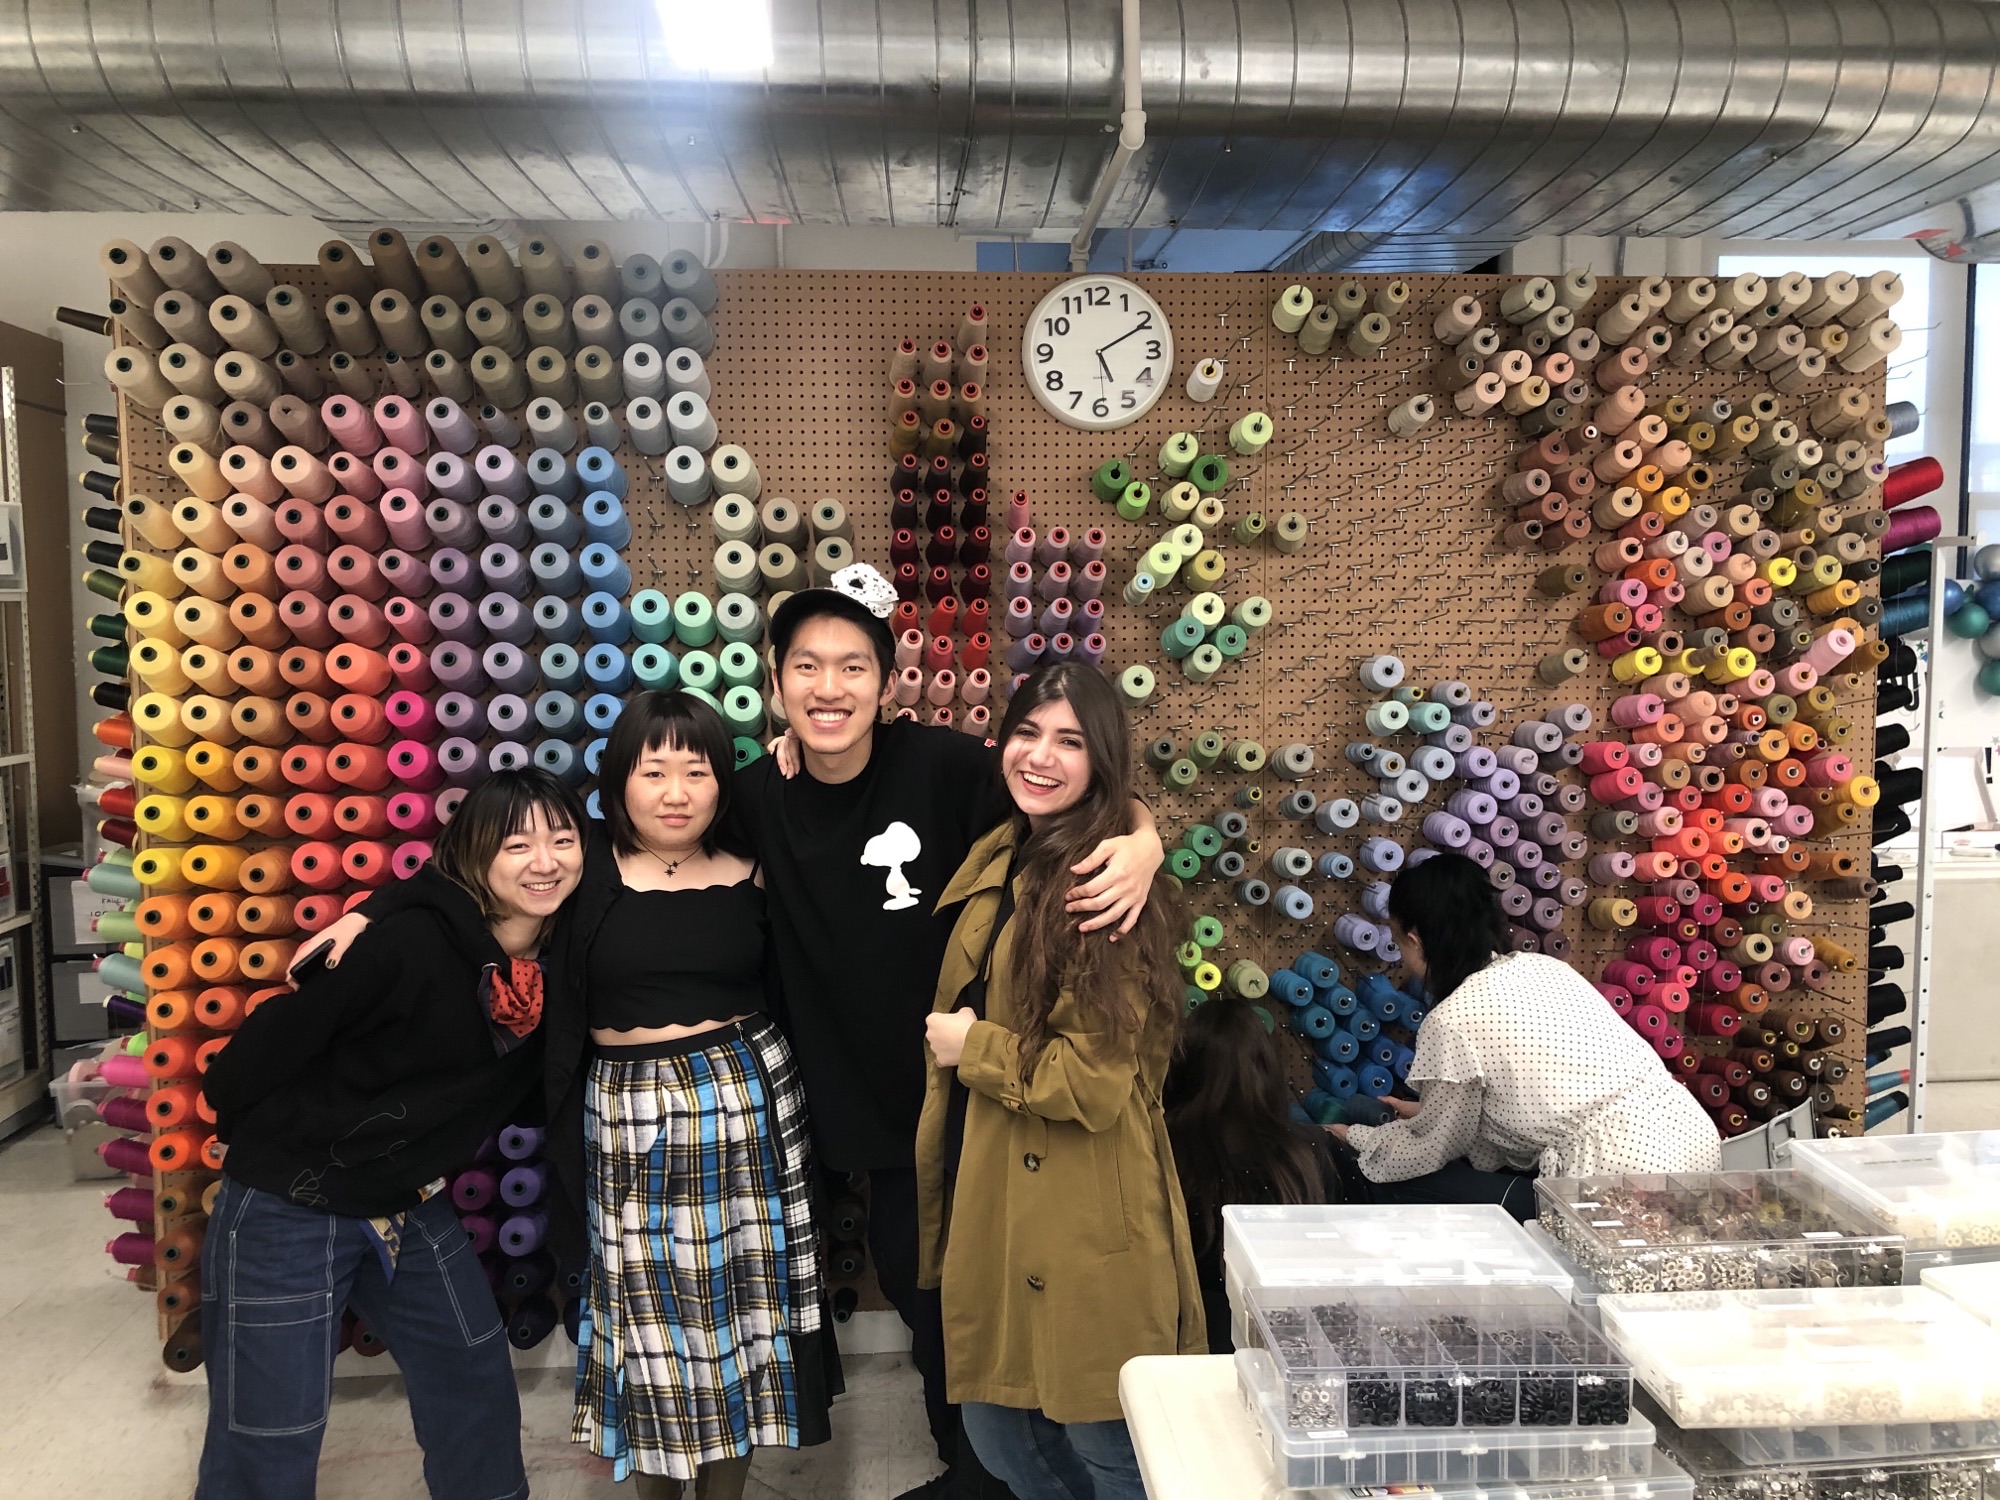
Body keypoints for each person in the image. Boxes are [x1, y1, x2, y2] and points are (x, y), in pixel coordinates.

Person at [320, 692, 833, 1498]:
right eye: (651, 770)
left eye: (695, 771)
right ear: (618, 781)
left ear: (721, 783)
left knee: (743, 1323)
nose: (674, 791)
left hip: (749, 1111)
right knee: (648, 1329)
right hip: (628, 1123)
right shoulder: (583, 865)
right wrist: (372, 912)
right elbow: (468, 879)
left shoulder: (753, 862)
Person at [744, 566, 1165, 1500]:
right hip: (825, 1100)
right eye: (806, 667)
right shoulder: (755, 795)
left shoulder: (939, 766)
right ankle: (979, 1470)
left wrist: (1144, 837)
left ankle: (978, 1475)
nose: (829, 688)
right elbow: (637, 842)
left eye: (852, 667)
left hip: (961, 1100)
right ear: (775, 684)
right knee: (904, 1303)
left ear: (887, 683)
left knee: (954, 1315)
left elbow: (1073, 787)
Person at [197, 768, 588, 1500]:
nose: (545, 862)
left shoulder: (558, 964)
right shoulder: (399, 945)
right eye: (517, 845)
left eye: (563, 841)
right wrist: (262, 1142)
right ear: (473, 855)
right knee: (270, 1431)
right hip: (292, 1203)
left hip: (409, 1201)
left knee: (472, 1380)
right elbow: (258, 1057)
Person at [916, 661, 1204, 1500]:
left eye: (1071, 741)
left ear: (1103, 760)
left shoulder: (1100, 887)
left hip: (1086, 1201)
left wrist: (973, 1048)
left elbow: (1091, 1082)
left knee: (1111, 1441)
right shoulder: (1011, 850)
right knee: (1003, 1430)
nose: (1041, 756)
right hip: (1007, 1188)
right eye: (1028, 732)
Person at [1331, 852, 1722, 1217]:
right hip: (1694, 1143)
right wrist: (1431, 1113)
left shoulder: (1452, 1019)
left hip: (1616, 1179)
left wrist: (1357, 1139)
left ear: (1414, 940)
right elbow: (1544, 1094)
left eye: (1398, 941)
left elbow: (1432, 1148)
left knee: (1385, 1181)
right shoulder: (1544, 969)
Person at [1165, 999, 1345, 1353]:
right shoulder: (1311, 1152)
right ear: (1268, 1070)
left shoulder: (1166, 1157)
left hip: (1194, 1350)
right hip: (1291, 1344)